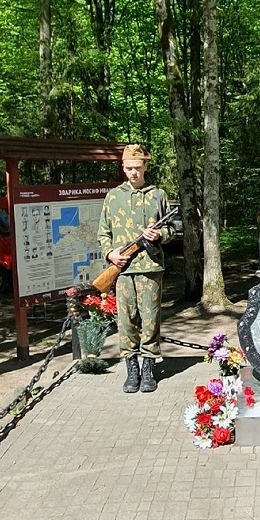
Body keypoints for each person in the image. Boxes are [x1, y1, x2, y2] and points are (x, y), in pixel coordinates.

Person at [98, 144, 171, 394]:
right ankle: (132, 368)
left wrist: (159, 234)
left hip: (150, 268)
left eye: (137, 168)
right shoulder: (113, 197)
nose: (133, 172)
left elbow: (171, 228)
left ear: (145, 167)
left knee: (150, 320)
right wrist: (110, 254)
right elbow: (103, 233)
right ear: (123, 167)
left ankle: (148, 368)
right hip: (123, 270)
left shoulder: (158, 195)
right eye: (129, 168)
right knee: (126, 321)